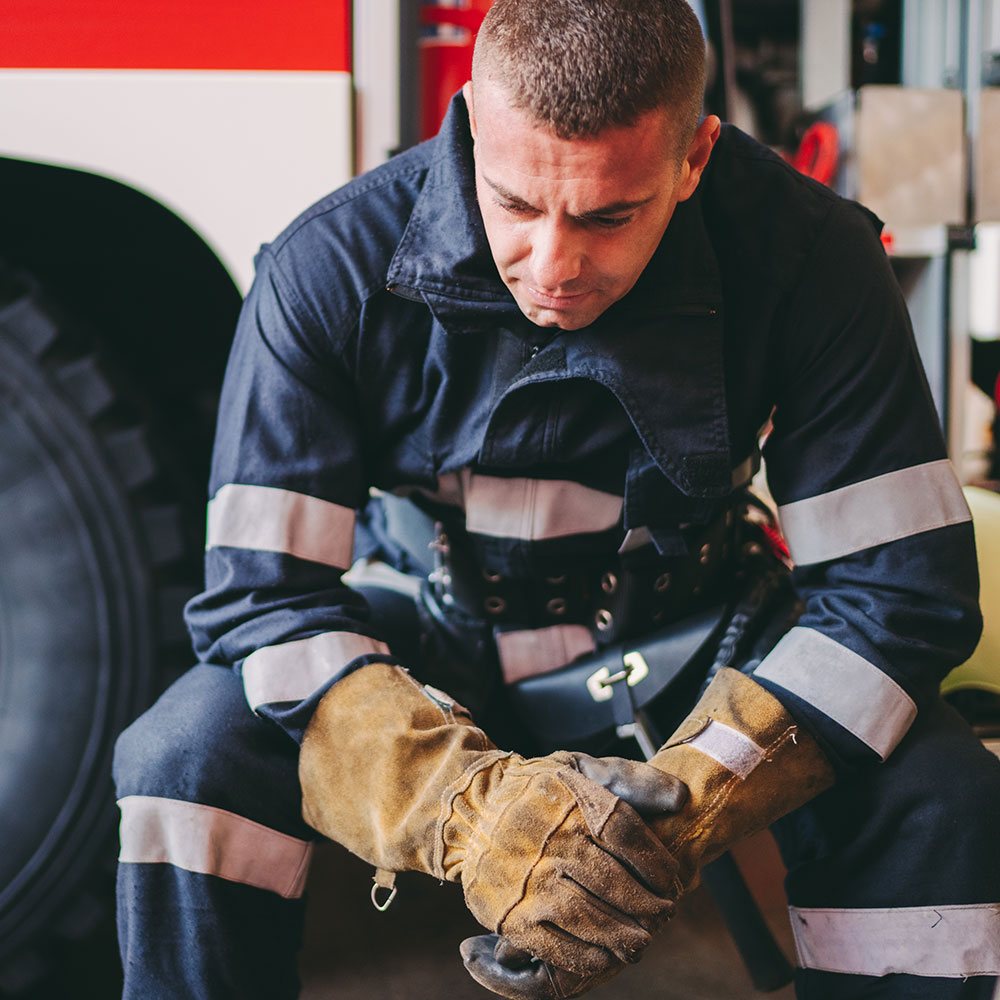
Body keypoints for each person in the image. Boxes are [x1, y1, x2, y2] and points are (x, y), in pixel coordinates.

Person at [112, 1, 1000, 997]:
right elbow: (261, 599)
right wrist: (458, 803)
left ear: (695, 157)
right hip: (431, 637)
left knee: (939, 791)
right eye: (516, 205)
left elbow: (899, 596)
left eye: (609, 215)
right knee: (182, 755)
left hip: (693, 643)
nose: (555, 265)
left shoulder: (810, 256)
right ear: (470, 125)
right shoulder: (329, 265)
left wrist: (690, 798)